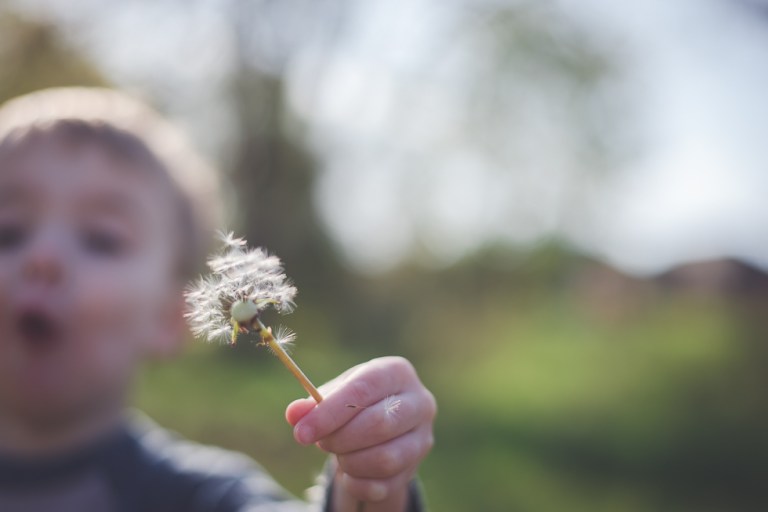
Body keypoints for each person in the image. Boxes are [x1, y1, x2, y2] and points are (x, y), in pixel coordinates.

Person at [0, 87, 436, 512]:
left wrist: (367, 488)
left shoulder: (203, 498)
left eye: (101, 239)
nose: (42, 258)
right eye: (9, 231)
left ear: (173, 317)